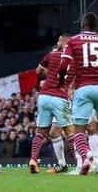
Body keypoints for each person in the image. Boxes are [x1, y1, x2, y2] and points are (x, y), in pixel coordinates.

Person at [57, 12, 98, 175]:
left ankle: (86, 158)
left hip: (82, 88)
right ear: (96, 27)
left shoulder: (73, 41)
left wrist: (61, 83)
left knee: (80, 128)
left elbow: (63, 66)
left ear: (82, 26)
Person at [30, 34, 76, 174]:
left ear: (63, 42)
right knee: (70, 132)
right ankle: (81, 161)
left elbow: (38, 71)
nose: (57, 42)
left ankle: (33, 159)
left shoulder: (52, 54)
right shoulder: (75, 60)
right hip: (60, 98)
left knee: (42, 132)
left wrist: (50, 72)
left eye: (59, 40)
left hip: (44, 96)